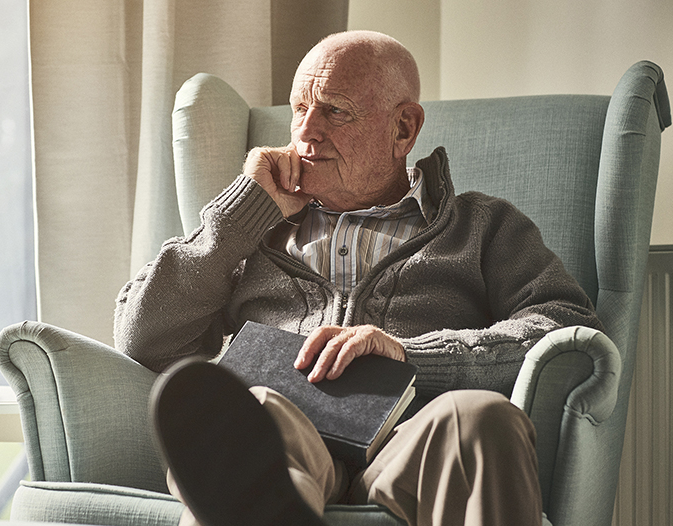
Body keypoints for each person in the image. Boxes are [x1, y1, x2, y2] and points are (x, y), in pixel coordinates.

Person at [114, 30, 603, 526]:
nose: (305, 132)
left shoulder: (481, 226)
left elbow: (565, 326)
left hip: (409, 442)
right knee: (252, 415)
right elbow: (144, 336)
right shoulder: (251, 235)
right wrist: (241, 214)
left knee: (479, 419)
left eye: (334, 111)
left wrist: (411, 355)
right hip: (285, 440)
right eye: (298, 109)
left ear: (404, 130)